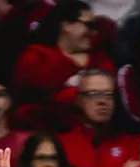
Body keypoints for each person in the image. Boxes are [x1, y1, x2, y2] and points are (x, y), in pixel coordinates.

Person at [13, 0, 115, 135]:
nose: (93, 32)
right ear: (66, 24)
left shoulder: (100, 60)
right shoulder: (35, 56)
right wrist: (75, 69)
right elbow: (38, 91)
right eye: (89, 26)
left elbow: (108, 88)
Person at [57, 69, 140, 167]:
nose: (102, 101)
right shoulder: (60, 145)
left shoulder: (135, 145)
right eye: (92, 94)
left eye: (108, 94)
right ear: (78, 100)